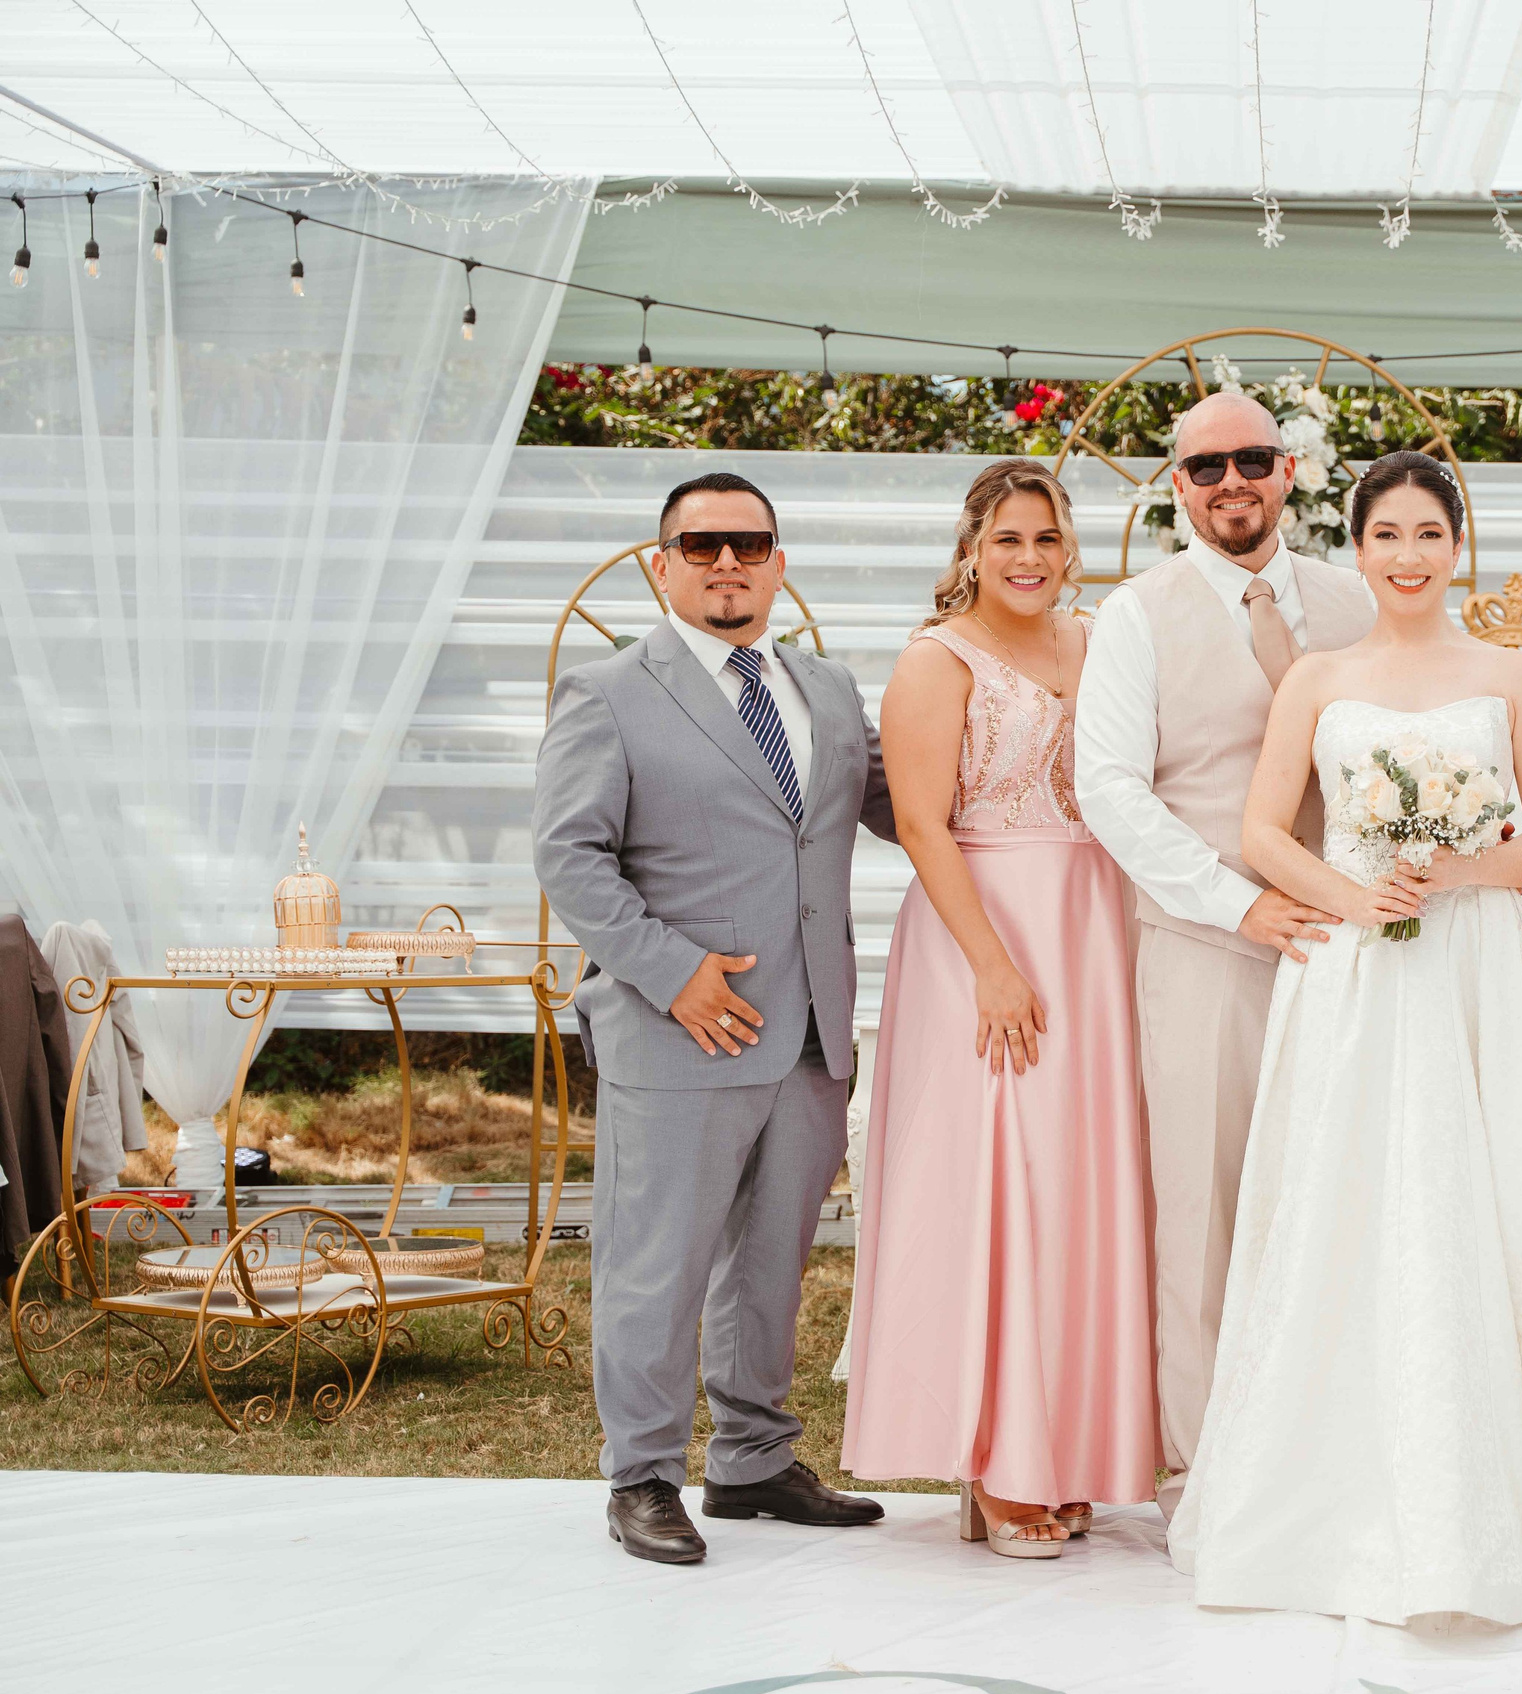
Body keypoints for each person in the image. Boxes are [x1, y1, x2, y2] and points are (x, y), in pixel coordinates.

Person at [1167, 452, 1522, 1626]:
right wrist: (1353, 895)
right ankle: (1328, 1504)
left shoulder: (1508, 675)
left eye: (1427, 534)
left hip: (1477, 966)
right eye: (1384, 534)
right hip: (1355, 971)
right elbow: (1261, 831)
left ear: (1458, 545)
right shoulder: (1320, 678)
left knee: (1488, 1200)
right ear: (1356, 547)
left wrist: (1460, 872)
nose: (1406, 555)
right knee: (1349, 1197)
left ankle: (1519, 1512)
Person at [534, 471, 897, 1565]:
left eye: (749, 544)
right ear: (664, 564)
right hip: (681, 1026)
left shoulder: (826, 691)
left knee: (771, 1262)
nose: (727, 563)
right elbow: (569, 855)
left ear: (779, 562)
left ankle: (750, 1460)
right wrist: (669, 970)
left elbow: (904, 802)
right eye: (702, 547)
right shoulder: (609, 694)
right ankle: (641, 1473)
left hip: (808, 1034)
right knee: (657, 1261)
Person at [839, 459, 1156, 1560]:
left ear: (1072, 548)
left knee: (1082, 1187)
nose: (1029, 558)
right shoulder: (936, 662)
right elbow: (922, 824)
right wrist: (992, 964)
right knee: (1000, 1187)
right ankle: (999, 1462)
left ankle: (1069, 1450)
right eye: (1008, 538)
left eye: (1048, 538)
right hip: (986, 935)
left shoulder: (1099, 641)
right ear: (971, 548)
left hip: (1094, 924)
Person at [1073, 390, 1374, 1523]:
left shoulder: (1357, 601)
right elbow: (1108, 788)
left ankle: (1333, 1451)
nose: (1231, 482)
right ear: (1177, 486)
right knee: (1202, 1208)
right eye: (1206, 468)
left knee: (1343, 1193)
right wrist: (1232, 904)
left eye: (1252, 460)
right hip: (1205, 945)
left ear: (1290, 470)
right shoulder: (1136, 616)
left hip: (1356, 949)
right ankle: (1204, 1476)